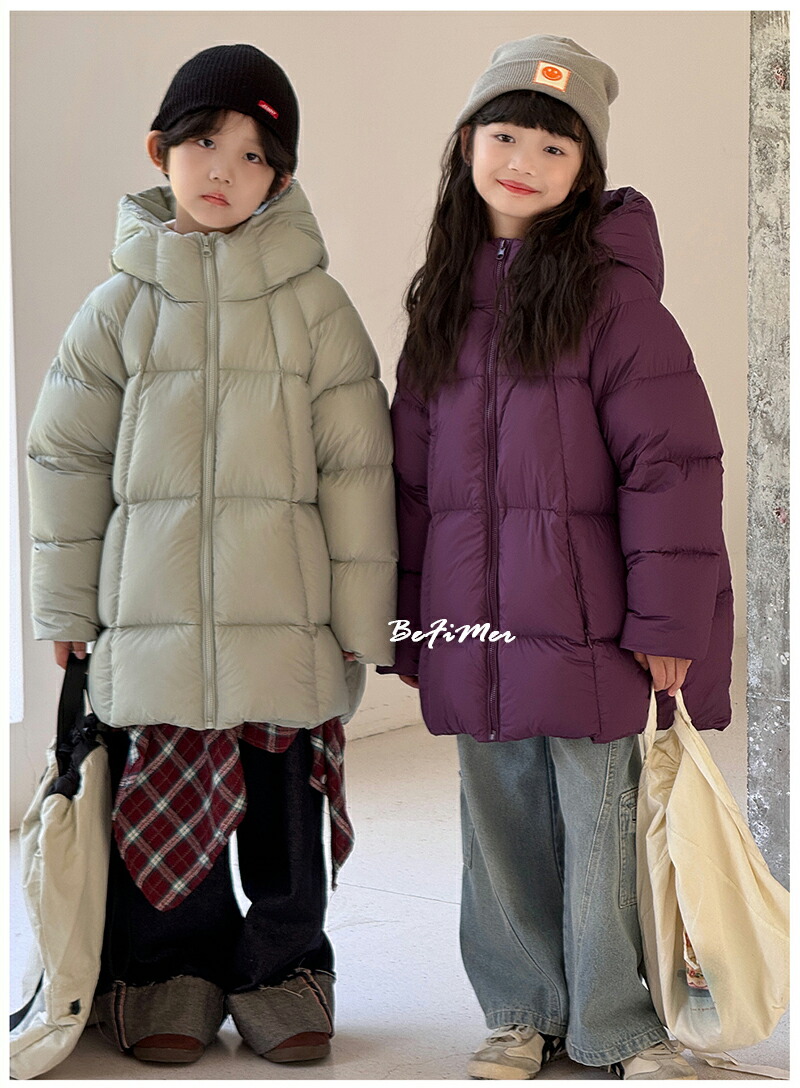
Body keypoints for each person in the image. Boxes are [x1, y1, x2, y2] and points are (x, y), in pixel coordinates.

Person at [27, 43, 397, 1067]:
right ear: (160, 150)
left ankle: (285, 970)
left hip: (285, 625)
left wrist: (364, 625)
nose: (224, 170)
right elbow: (65, 456)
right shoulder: (118, 308)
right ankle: (165, 974)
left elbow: (358, 467)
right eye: (203, 143)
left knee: (283, 823)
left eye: (253, 154)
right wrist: (66, 607)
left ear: (281, 175)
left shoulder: (316, 309)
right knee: (162, 816)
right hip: (153, 627)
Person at [379, 34, 732, 1081]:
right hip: (472, 623)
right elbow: (411, 483)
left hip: (592, 628)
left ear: (585, 171)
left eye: (553, 146)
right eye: (504, 135)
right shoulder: (441, 303)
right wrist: (412, 624)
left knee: (600, 820)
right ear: (466, 145)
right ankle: (520, 1011)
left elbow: (671, 467)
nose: (522, 160)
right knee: (496, 823)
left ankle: (618, 1023)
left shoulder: (614, 300)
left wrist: (668, 624)